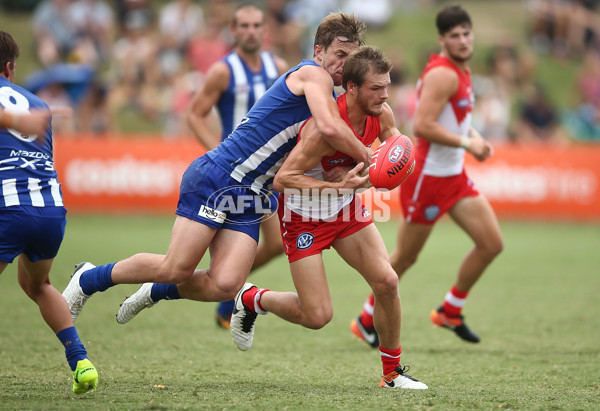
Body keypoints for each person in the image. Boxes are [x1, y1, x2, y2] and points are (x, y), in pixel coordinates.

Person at [62, 13, 372, 332]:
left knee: (224, 285)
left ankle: (155, 290)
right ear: (318, 51)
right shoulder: (312, 74)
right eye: (339, 55)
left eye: (351, 58)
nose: (344, 65)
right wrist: (369, 157)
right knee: (175, 267)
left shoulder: (330, 94)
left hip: (253, 194)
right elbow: (329, 127)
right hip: (220, 176)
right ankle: (88, 278)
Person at [229, 45, 428, 389]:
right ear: (351, 88)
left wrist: (383, 168)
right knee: (317, 316)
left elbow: (394, 147)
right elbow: (284, 180)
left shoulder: (381, 113)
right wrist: (339, 187)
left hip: (347, 213)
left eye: (387, 86)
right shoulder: (322, 130)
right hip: (303, 217)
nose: (385, 95)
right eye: (376, 88)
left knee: (387, 282)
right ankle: (251, 299)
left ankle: (392, 374)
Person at [351, 5, 503, 347]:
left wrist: (473, 137)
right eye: (455, 35)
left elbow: (455, 119)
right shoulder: (443, 74)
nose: (463, 40)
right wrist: (468, 142)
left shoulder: (461, 70)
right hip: (428, 179)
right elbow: (423, 126)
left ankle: (451, 309)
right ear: (442, 39)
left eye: (466, 33)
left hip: (454, 176)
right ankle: (365, 318)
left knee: (491, 243)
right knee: (404, 257)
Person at [0, 31, 98, 394]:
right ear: (11, 68)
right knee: (37, 285)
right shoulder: (36, 103)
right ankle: (81, 362)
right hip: (49, 210)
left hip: (8, 208)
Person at [185, 3, 289, 329]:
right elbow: (195, 113)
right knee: (199, 256)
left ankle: (226, 296)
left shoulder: (279, 67)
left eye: (256, 25)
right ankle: (220, 295)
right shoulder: (224, 71)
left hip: (264, 177)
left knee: (275, 245)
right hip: (230, 175)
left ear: (265, 31)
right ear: (233, 31)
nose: (250, 31)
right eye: (243, 26)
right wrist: (217, 150)